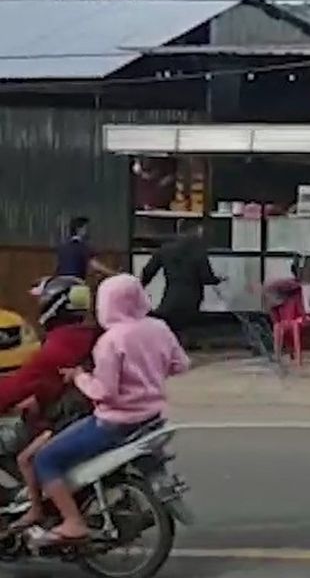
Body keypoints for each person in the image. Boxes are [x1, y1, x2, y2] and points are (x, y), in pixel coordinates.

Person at [22, 274, 189, 545]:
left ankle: (73, 522)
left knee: (44, 460)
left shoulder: (111, 341)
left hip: (114, 423)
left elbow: (104, 392)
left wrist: (78, 377)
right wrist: (150, 371)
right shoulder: (159, 328)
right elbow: (181, 365)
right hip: (151, 417)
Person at [0, 278, 98, 500]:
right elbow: (47, 384)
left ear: (52, 305)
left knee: (8, 440)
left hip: (61, 419)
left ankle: (30, 500)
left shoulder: (56, 348)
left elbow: (17, 386)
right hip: (80, 409)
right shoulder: (90, 335)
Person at [139, 222, 221, 346]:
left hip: (171, 296)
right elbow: (206, 277)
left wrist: (138, 288)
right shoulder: (198, 251)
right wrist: (218, 280)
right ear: (194, 231)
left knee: (168, 325)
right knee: (184, 327)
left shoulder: (165, 249)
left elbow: (147, 272)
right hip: (192, 297)